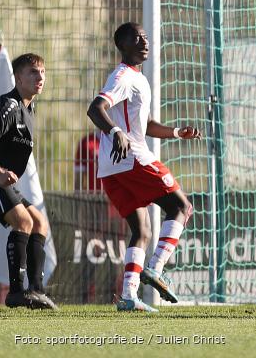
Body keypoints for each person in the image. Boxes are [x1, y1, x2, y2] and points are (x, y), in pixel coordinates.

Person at [87, 22, 201, 312]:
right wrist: (116, 133)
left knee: (142, 230)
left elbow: (146, 125)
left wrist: (176, 132)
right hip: (131, 159)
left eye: (145, 37)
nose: (144, 41)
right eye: (136, 38)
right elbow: (95, 108)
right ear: (122, 45)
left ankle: (128, 296)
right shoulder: (123, 76)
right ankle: (156, 268)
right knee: (182, 207)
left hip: (111, 169)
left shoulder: (138, 79)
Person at [0, 53, 56, 309]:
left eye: (42, 72)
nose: (40, 77)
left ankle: (36, 291)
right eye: (33, 72)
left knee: (39, 222)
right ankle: (15, 292)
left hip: (7, 183)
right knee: (22, 221)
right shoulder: (8, 106)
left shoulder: (30, 108)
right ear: (18, 77)